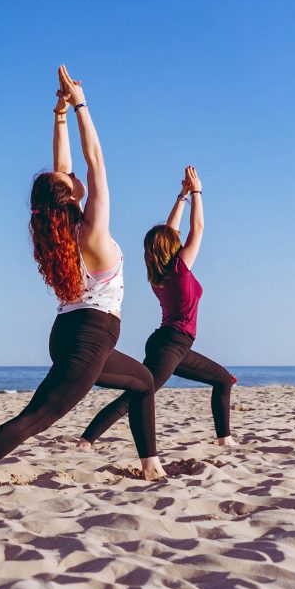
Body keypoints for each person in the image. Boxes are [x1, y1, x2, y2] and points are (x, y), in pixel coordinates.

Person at [0, 66, 164, 485]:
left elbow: (64, 165)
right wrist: (82, 102)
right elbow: (95, 161)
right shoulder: (92, 232)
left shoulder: (61, 232)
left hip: (73, 333)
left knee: (143, 382)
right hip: (90, 337)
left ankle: (150, 463)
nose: (70, 174)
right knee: (38, 417)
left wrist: (60, 113)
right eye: (66, 179)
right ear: (67, 194)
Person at [78, 166, 236, 450]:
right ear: (170, 247)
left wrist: (182, 196)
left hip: (174, 344)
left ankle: (225, 439)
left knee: (223, 379)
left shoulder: (159, 270)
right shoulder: (179, 268)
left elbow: (169, 231)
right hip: (172, 344)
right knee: (137, 393)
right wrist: (197, 191)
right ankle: (87, 440)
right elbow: (196, 228)